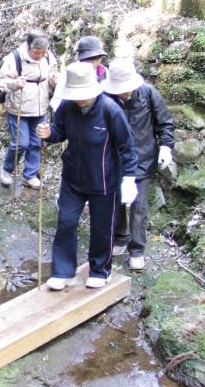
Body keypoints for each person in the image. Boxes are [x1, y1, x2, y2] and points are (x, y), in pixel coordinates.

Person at [37, 62, 139, 289]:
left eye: (83, 95)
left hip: (104, 180)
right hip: (73, 177)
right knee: (66, 221)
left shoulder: (110, 110)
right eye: (76, 95)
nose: (80, 99)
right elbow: (59, 133)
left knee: (102, 227)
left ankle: (100, 270)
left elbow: (128, 147)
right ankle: (63, 272)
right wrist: (48, 133)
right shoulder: (66, 107)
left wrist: (129, 178)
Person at [102, 59, 175, 270]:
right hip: (114, 158)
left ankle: (137, 249)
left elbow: (164, 121)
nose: (123, 93)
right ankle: (120, 236)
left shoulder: (149, 93)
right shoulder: (106, 98)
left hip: (143, 157)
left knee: (138, 205)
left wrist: (166, 146)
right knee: (115, 201)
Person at [0, 31, 58, 189]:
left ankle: (30, 175)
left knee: (37, 142)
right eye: (37, 52)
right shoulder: (15, 58)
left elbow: (52, 75)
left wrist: (53, 81)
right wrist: (15, 84)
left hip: (40, 106)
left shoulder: (49, 57)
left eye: (43, 52)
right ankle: (7, 169)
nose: (40, 56)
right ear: (29, 46)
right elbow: (1, 82)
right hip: (19, 108)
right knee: (20, 143)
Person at [50, 35, 109, 113]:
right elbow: (57, 100)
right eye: (89, 59)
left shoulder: (104, 73)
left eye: (96, 58)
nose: (93, 62)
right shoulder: (70, 73)